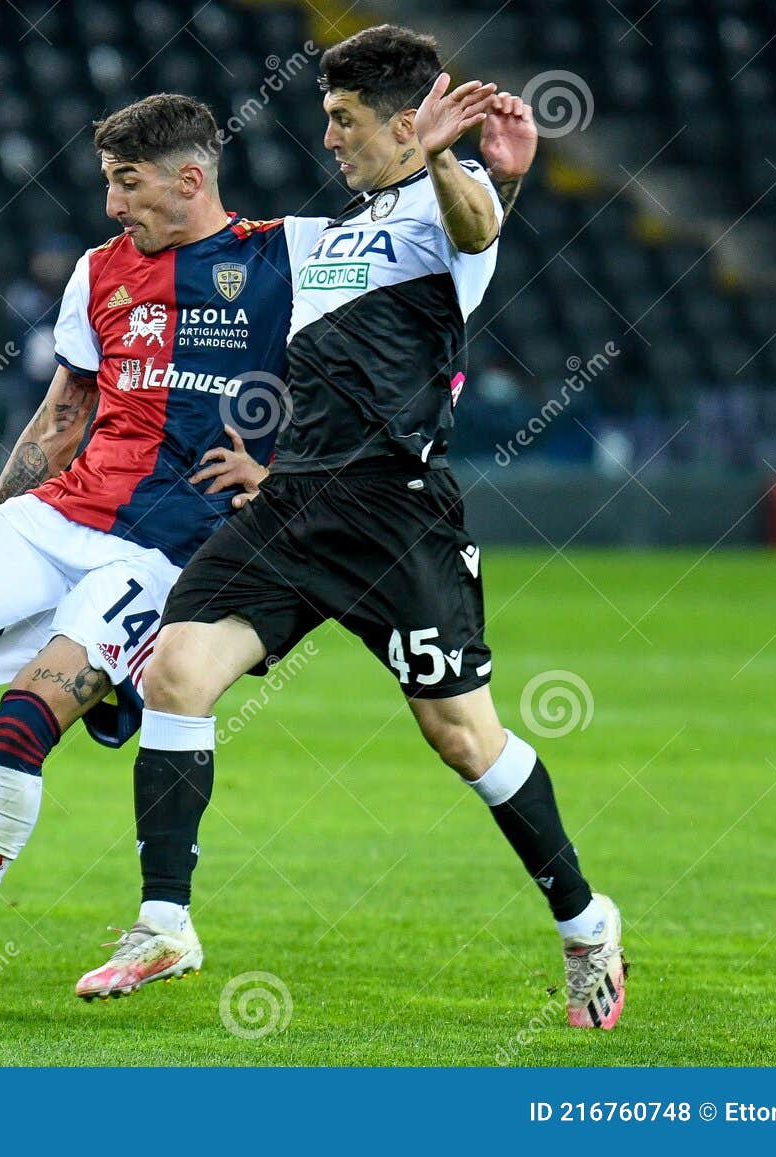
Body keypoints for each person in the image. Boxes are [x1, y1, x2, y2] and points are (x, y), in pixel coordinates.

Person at [76, 25, 627, 1032]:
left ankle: (585, 916)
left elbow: (473, 227)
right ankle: (163, 920)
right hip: (291, 504)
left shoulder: (443, 211)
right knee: (178, 671)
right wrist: (271, 461)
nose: (328, 137)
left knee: (462, 737)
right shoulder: (343, 229)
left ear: (403, 124)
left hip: (392, 514)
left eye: (342, 120)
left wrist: (456, 161)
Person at [0, 93, 316, 1015]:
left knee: (20, 727)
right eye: (108, 183)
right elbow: (64, 415)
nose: (112, 206)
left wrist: (283, 472)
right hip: (61, 511)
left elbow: (391, 341)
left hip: (159, 553)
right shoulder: (99, 271)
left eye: (126, 184)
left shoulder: (283, 258)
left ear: (190, 180)